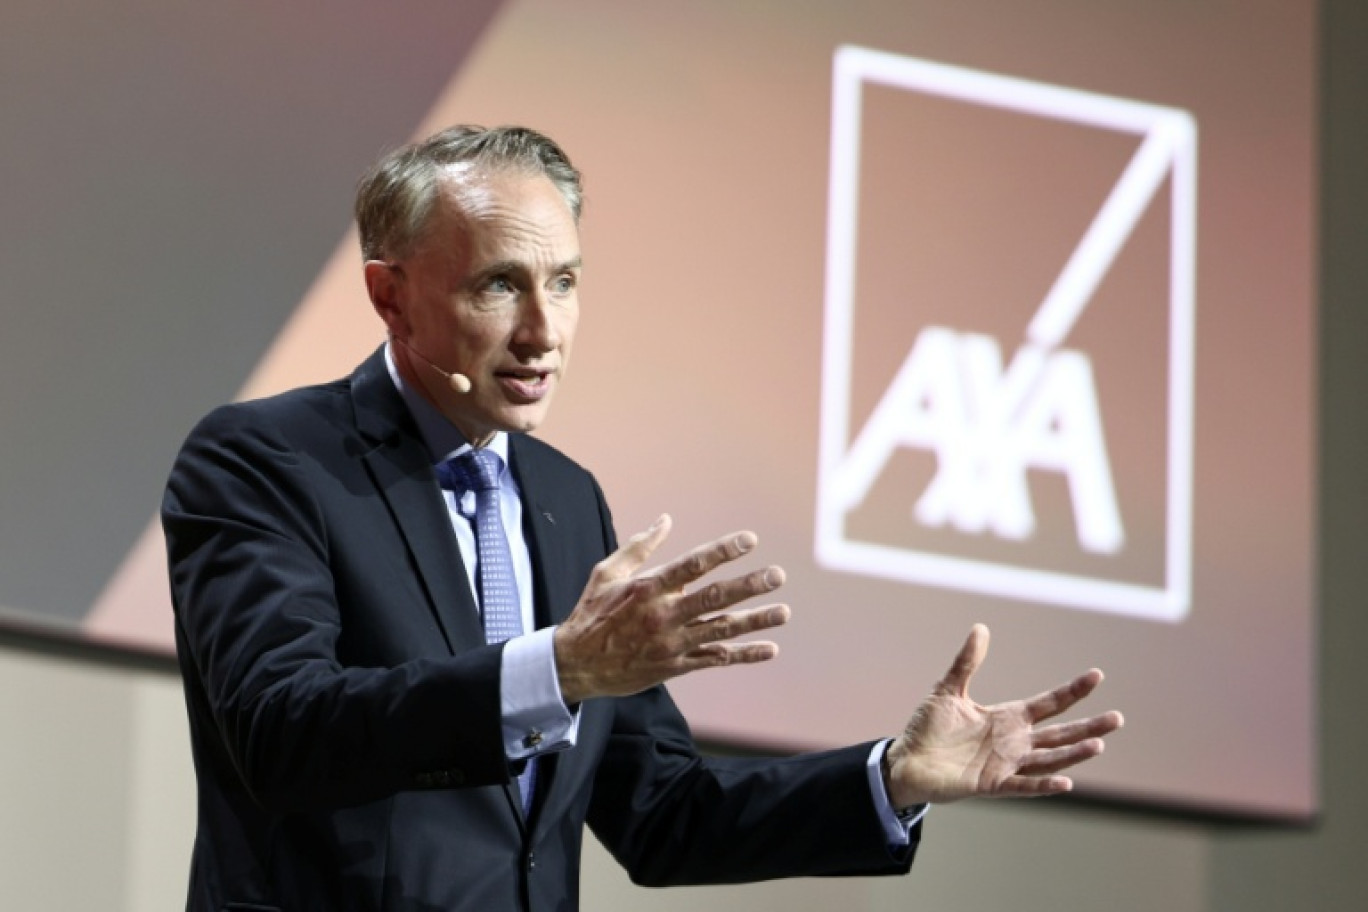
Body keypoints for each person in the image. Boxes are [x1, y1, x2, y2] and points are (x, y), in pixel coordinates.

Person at [163, 125, 1123, 912]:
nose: (544, 331)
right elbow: (281, 733)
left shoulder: (564, 496)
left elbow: (665, 812)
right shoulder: (268, 461)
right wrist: (561, 671)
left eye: (566, 282)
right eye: (499, 285)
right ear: (389, 294)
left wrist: (893, 777)